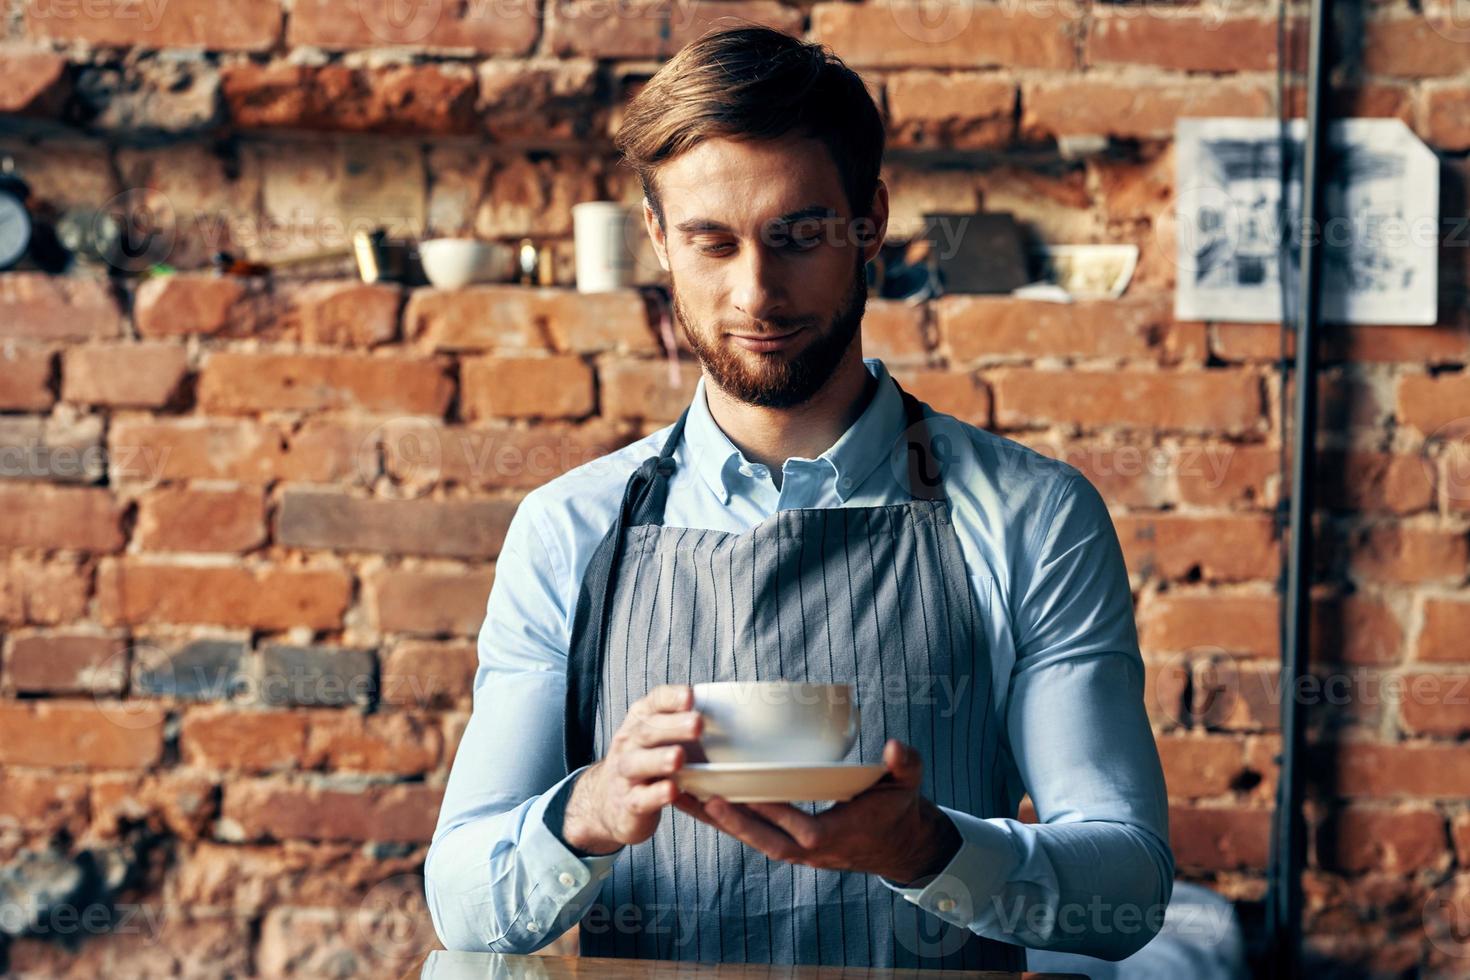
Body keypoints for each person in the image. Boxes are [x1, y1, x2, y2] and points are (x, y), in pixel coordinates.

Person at [426, 25, 1173, 970]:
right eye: (712, 242)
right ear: (658, 237)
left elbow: (1131, 887)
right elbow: (461, 900)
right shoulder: (570, 530)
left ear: (870, 222)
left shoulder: (1034, 517)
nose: (757, 294)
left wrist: (928, 849)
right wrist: (591, 808)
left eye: (798, 236)